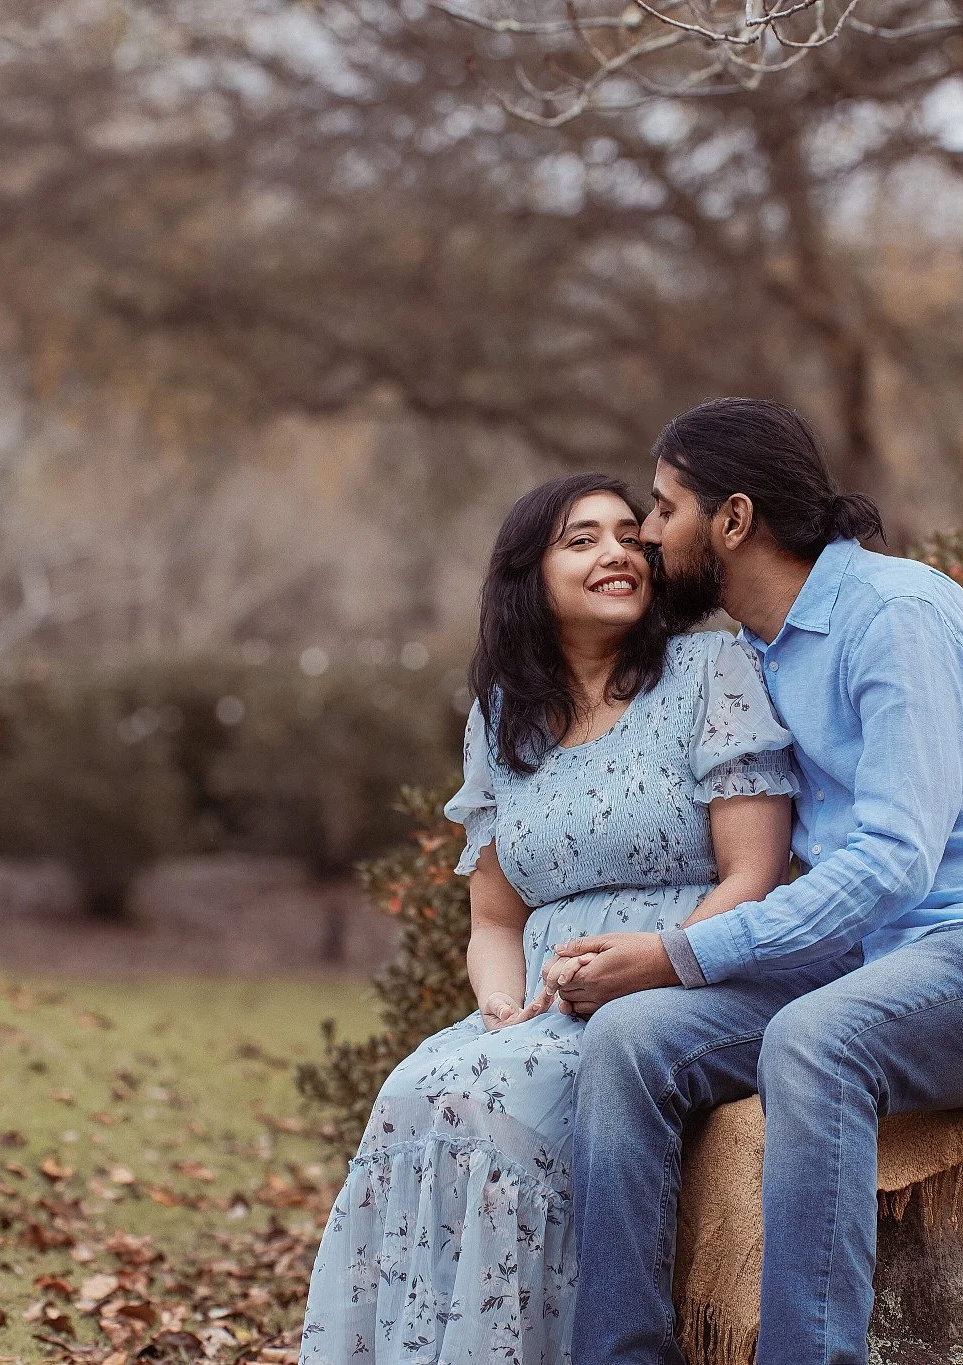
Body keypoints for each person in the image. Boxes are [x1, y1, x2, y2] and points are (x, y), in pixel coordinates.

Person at [546, 398, 963, 1365]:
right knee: (631, 1038)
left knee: (815, 1039)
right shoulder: (752, 656)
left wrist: (684, 950)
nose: (645, 534)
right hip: (874, 960)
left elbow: (896, 861)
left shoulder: (897, 616)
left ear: (733, 521)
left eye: (663, 506)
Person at [299, 472, 803, 1364]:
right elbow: (493, 917)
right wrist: (499, 1006)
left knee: (484, 1108)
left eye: (626, 533)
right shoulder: (503, 722)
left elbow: (754, 876)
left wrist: (654, 958)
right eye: (581, 540)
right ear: (528, 576)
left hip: (682, 979)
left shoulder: (711, 672)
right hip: (540, 1006)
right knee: (412, 1093)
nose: (616, 551)